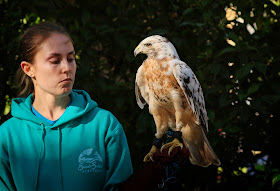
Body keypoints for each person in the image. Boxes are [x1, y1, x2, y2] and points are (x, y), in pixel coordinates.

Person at [0, 21, 133, 191]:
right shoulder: (7, 136)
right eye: (55, 61)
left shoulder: (104, 125)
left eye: (71, 59)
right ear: (28, 69)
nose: (67, 68)